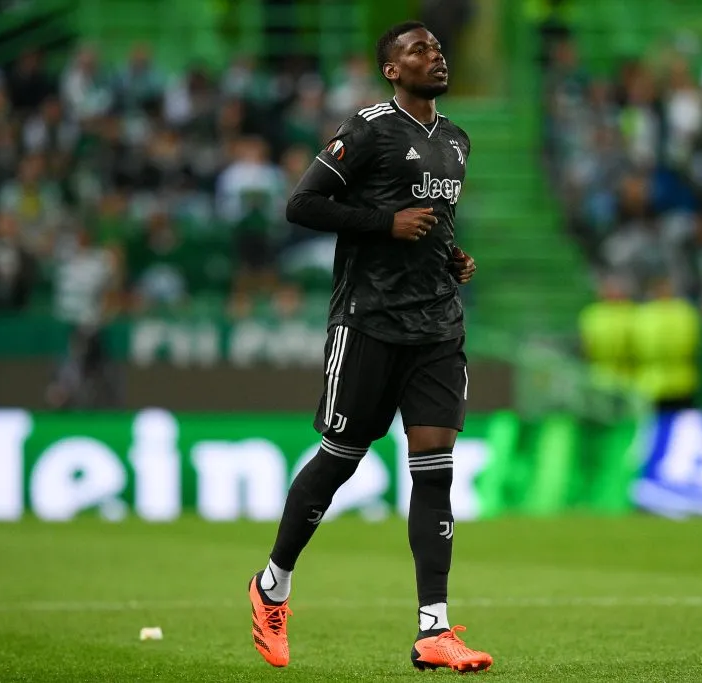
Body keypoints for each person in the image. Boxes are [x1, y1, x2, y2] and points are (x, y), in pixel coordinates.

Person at [247, 21, 492, 674]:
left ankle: (433, 628)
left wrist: (452, 258)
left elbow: (432, 227)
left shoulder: (459, 141)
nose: (434, 56)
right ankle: (273, 583)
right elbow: (303, 204)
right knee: (340, 458)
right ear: (391, 69)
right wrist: (384, 223)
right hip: (368, 322)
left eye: (438, 47)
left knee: (434, 463)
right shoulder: (368, 129)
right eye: (418, 49)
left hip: (436, 326)